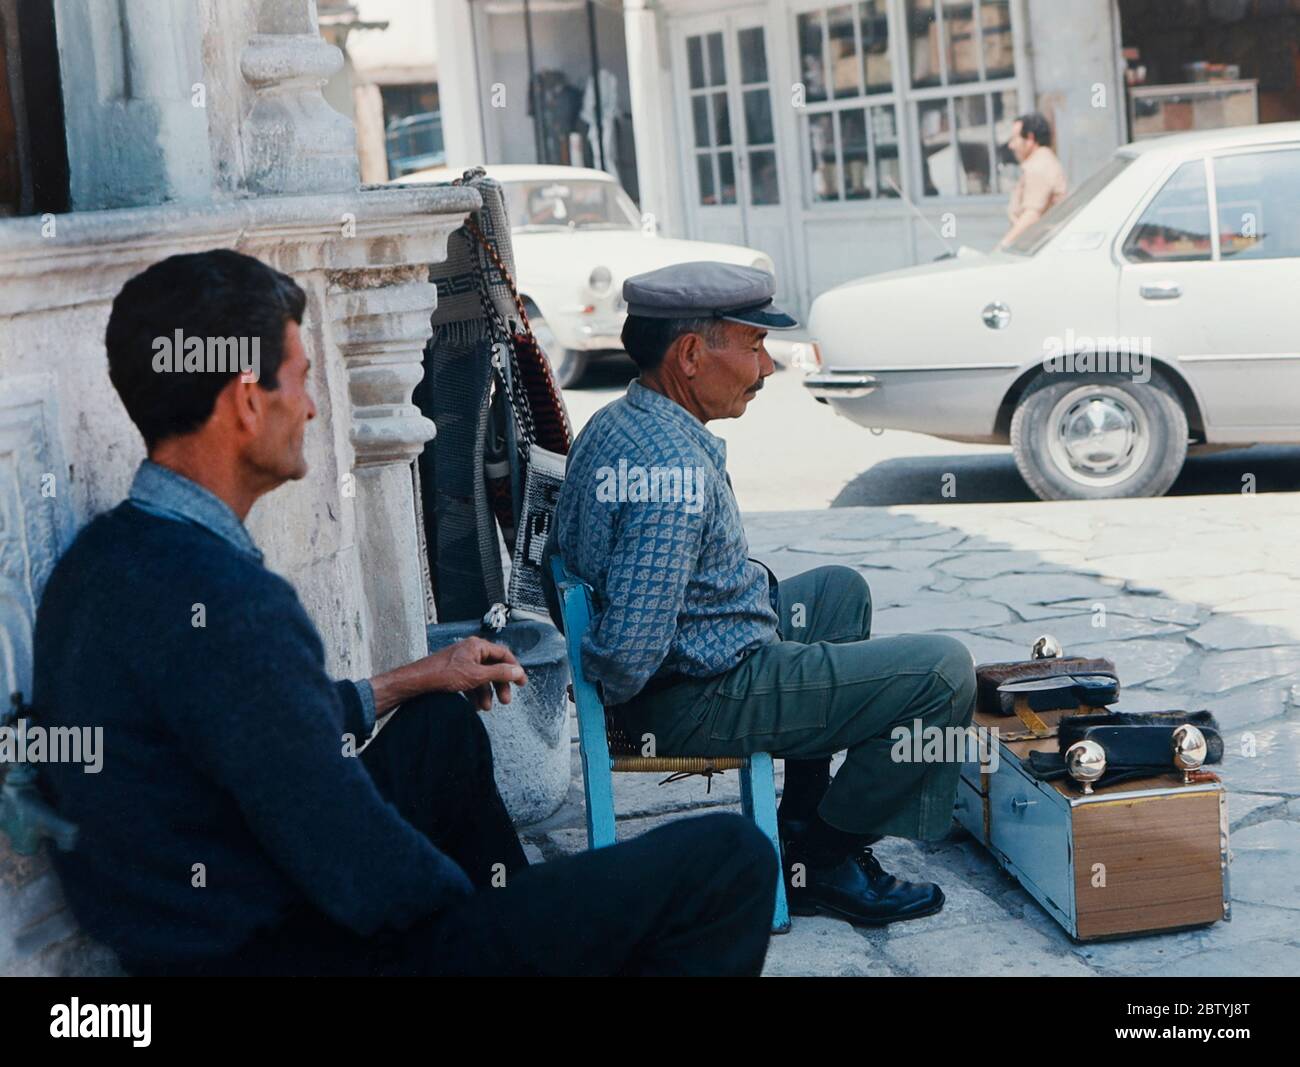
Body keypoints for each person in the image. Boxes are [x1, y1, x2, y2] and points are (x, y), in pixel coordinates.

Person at [33, 249, 776, 977]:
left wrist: (412, 678)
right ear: (246, 400)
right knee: (731, 861)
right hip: (285, 947)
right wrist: (523, 928)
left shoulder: (101, 561)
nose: (313, 406)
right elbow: (354, 858)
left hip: (211, 926)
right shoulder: (230, 601)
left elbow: (254, 730)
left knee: (439, 729)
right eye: (301, 380)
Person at [554, 262, 977, 928]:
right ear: (691, 354)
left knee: (839, 594)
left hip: (694, 666)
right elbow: (631, 654)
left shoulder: (622, 419)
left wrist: (733, 607)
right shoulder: (671, 472)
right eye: (753, 345)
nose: (768, 367)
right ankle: (824, 857)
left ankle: (799, 824)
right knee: (943, 672)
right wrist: (703, 651)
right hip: (692, 697)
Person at [997, 112, 1068, 250]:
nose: (1011, 146)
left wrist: (1002, 247)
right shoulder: (1041, 162)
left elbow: (1032, 216)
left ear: (1030, 138)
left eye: (1014, 139)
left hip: (1038, 249)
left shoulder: (1039, 166)